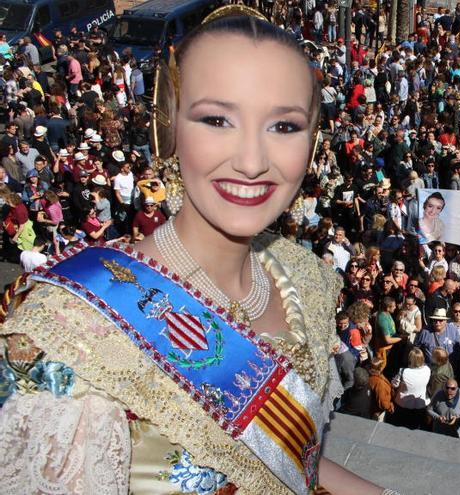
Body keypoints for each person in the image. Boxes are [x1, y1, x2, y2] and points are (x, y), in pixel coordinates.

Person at [0, 8, 390, 494]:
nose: (252, 162)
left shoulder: (301, 276)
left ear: (312, 141)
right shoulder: (65, 338)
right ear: (168, 125)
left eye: (284, 127)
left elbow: (292, 470)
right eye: (217, 119)